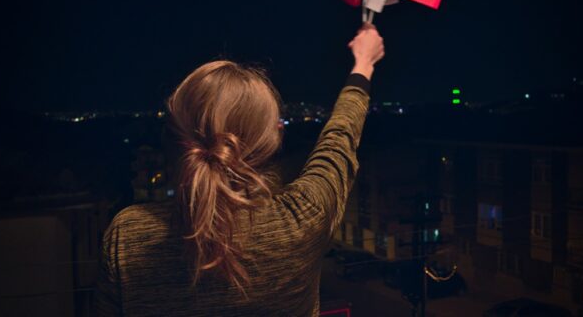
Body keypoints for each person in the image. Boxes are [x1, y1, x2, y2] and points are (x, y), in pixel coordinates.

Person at [95, 23, 385, 316]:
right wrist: (363, 64)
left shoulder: (128, 235)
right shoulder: (301, 218)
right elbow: (339, 139)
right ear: (271, 142)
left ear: (170, 137)